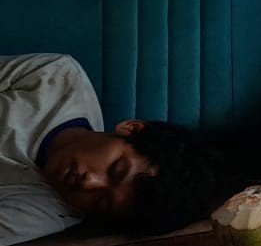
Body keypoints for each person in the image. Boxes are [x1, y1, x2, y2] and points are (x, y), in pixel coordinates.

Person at [1, 53, 220, 246]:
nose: (89, 183)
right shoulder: (58, 77)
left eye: (101, 203)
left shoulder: (41, 215)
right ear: (131, 129)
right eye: (116, 169)